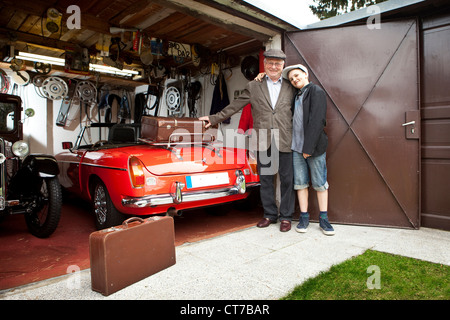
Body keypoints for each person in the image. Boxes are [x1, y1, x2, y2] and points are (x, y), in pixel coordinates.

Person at [199, 49, 296, 232]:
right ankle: (269, 214)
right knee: (266, 179)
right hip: (263, 139)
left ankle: (286, 217)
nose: (273, 66)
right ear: (265, 64)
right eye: (270, 63)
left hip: (285, 138)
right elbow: (235, 106)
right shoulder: (254, 86)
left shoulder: (291, 85)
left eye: (277, 63)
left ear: (283, 65)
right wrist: (213, 118)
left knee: (287, 179)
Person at [281, 64, 334, 236]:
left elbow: (317, 121)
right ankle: (304, 217)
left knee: (320, 183)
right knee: (300, 184)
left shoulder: (316, 91)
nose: (294, 79)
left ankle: (324, 219)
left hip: (313, 148)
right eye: (291, 79)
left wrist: (308, 148)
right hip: (296, 148)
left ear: (305, 74)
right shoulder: (296, 95)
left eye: (297, 75)